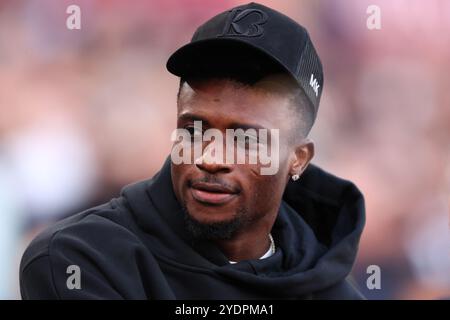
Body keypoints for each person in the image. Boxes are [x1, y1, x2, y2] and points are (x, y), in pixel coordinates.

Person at [20, 2, 365, 299]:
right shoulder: (82, 257)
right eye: (193, 130)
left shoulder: (330, 290)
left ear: (298, 158)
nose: (210, 158)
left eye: (246, 140)